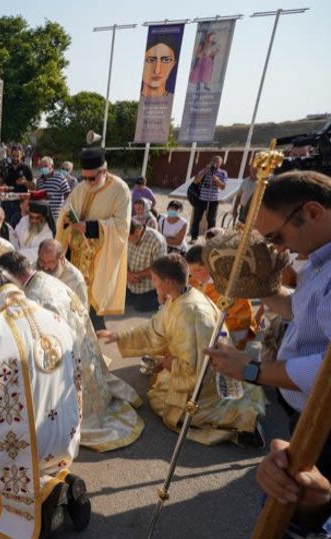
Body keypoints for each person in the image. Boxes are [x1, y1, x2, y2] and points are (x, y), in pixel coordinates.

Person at [0, 268, 89, 536]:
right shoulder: (57, 321)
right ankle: (64, 478)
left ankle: (47, 490)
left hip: (27, 449)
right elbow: (79, 386)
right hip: (64, 442)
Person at [207, 171, 331, 477]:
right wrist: (262, 288)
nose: (278, 249)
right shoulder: (318, 259)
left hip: (325, 425)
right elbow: (300, 311)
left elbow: (326, 371)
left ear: (312, 212)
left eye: (276, 237)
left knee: (297, 516)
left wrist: (251, 370)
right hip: (304, 413)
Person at [98, 254, 265, 445]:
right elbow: (154, 328)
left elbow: (197, 367)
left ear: (168, 282)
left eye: (154, 279)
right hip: (198, 365)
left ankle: (243, 422)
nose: (152, 283)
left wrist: (171, 363)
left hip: (206, 381)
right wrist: (120, 336)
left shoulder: (190, 312)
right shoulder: (183, 295)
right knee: (158, 385)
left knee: (162, 403)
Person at [0, 252, 144, 452]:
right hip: (85, 354)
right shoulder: (47, 278)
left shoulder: (34, 299)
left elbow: (43, 349)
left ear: (13, 277)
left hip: (70, 365)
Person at [57, 147, 130, 331]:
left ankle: (94, 348)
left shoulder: (120, 190)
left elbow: (122, 226)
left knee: (94, 313)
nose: (87, 183)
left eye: (92, 178)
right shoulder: (81, 188)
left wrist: (89, 227)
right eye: (84, 178)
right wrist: (66, 218)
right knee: (72, 304)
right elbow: (66, 210)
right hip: (77, 256)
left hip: (99, 256)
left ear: (104, 171)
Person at [185, 245, 257, 348]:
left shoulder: (230, 288)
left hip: (227, 339)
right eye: (191, 271)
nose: (194, 275)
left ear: (210, 265)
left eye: (198, 270)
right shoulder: (192, 281)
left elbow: (240, 322)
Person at [126, 218, 167, 312]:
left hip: (148, 286)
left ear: (137, 231)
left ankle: (163, 297)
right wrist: (127, 274)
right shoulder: (128, 235)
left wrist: (137, 275)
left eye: (128, 238)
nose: (127, 241)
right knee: (121, 300)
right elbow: (122, 258)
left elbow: (159, 268)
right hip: (130, 282)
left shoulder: (157, 240)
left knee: (140, 306)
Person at [37, 239, 88, 309]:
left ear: (62, 259)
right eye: (42, 261)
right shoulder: (35, 266)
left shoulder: (75, 279)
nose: (45, 267)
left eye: (50, 262)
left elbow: (82, 312)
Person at [190, 155, 227, 241]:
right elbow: (196, 181)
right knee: (196, 218)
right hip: (202, 199)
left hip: (213, 200)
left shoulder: (223, 173)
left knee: (211, 220)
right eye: (213, 160)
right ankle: (193, 237)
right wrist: (204, 172)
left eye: (217, 161)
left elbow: (223, 187)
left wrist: (216, 179)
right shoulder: (204, 170)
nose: (215, 163)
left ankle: (210, 239)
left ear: (220, 164)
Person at [0, 144, 35, 223]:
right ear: (10, 155)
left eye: (17, 156)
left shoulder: (26, 168)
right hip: (7, 202)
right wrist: (2, 185)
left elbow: (33, 187)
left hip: (21, 204)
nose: (15, 158)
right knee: (7, 226)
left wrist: (25, 182)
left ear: (21, 155)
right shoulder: (5, 168)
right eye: (13, 156)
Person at [13, 200, 55, 264]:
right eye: (31, 217)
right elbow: (15, 237)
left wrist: (17, 254)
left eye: (37, 218)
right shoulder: (24, 221)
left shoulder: (48, 231)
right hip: (17, 261)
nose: (34, 220)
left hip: (36, 264)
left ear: (43, 217)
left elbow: (39, 251)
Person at [141, 33, 179, 98]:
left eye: (166, 60)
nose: (157, 70)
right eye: (150, 60)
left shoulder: (176, 102)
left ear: (174, 63)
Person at [36, 156, 71, 222]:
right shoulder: (39, 180)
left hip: (56, 217)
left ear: (52, 166)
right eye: (41, 166)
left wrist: (67, 211)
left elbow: (67, 194)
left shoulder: (60, 177)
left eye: (45, 166)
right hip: (43, 217)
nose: (43, 168)